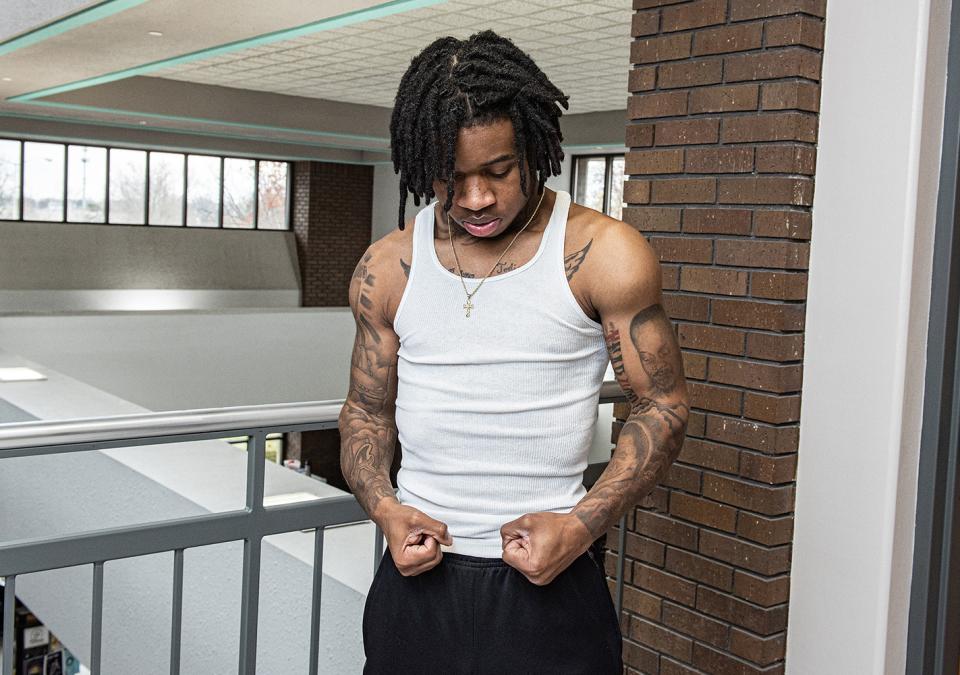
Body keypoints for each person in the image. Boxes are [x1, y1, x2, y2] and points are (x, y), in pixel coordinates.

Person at [339, 29, 689, 675]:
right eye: (452, 177)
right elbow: (365, 412)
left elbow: (661, 404)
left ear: (531, 146)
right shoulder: (387, 266)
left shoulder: (604, 254)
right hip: (416, 586)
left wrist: (582, 526)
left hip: (549, 580)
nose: (476, 199)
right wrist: (384, 508)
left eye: (497, 171)